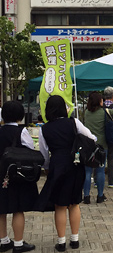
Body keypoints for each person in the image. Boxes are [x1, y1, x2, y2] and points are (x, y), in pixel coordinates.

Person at [37, 95, 97, 252]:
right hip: (75, 164)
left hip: (57, 166)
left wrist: (47, 168)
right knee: (74, 203)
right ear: (64, 107)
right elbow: (91, 137)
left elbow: (44, 155)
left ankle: (61, 242)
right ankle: (75, 239)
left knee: (60, 205)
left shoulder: (44, 129)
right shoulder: (73, 122)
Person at [0, 101, 37, 253]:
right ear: (20, 116)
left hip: (1, 174)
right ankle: (18, 243)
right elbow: (30, 149)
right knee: (18, 209)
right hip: (17, 174)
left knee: (1, 209)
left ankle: (3, 241)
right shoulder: (21, 132)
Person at [84, 91, 113, 203]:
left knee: (87, 172)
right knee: (100, 170)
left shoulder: (86, 112)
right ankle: (100, 196)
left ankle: (86, 196)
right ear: (100, 101)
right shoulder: (105, 112)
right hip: (101, 145)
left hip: (88, 144)